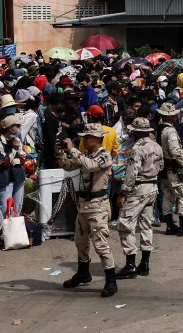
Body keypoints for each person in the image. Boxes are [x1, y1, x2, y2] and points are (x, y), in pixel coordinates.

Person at [58, 123, 117, 298]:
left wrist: (74, 150)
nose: (84, 139)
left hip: (98, 205)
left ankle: (111, 280)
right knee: (80, 240)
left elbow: (91, 166)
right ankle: (83, 272)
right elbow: (69, 166)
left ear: (98, 139)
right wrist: (60, 153)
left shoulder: (104, 156)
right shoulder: (86, 155)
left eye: (87, 137)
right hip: (83, 204)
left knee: (101, 244)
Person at [115, 117, 162, 280]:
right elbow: (161, 166)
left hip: (138, 189)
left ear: (136, 132)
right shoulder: (156, 146)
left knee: (125, 225)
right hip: (152, 187)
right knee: (146, 224)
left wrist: (123, 193)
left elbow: (131, 174)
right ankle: (145, 263)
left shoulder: (137, 148)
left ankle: (130, 265)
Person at [156, 103, 183, 235]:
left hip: (164, 169)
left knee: (168, 196)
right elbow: (176, 152)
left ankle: (170, 225)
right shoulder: (170, 131)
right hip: (174, 168)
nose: (175, 117)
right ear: (170, 117)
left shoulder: (160, 129)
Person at [0, 113, 27, 216]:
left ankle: (15, 230)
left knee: (17, 207)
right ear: (10, 128)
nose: (19, 128)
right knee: (5, 208)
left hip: (18, 177)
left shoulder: (16, 140)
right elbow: (2, 163)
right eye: (17, 126)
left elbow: (23, 158)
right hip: (4, 179)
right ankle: (4, 231)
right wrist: (14, 151)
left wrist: (13, 161)